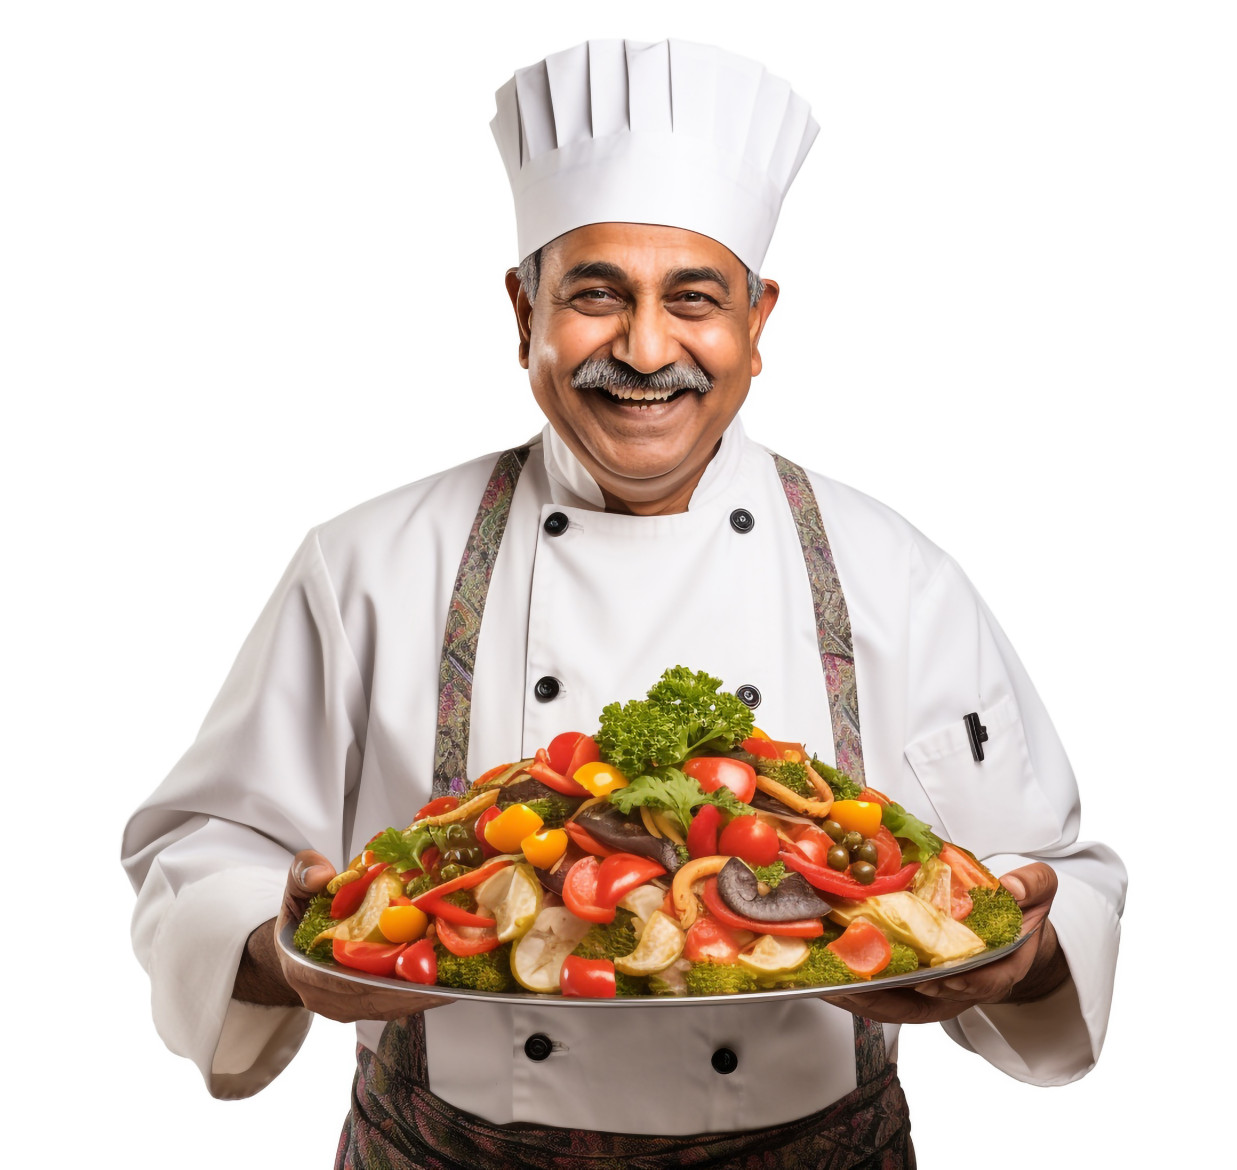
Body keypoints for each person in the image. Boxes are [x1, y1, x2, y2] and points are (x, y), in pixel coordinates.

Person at [122, 38, 1126, 1169]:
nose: (646, 349)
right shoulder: (365, 564)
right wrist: (272, 945)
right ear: (522, 312)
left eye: (692, 300)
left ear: (756, 324)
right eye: (596, 294)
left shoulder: (889, 572)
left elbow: (1040, 880)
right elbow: (203, 848)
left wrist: (1026, 954)